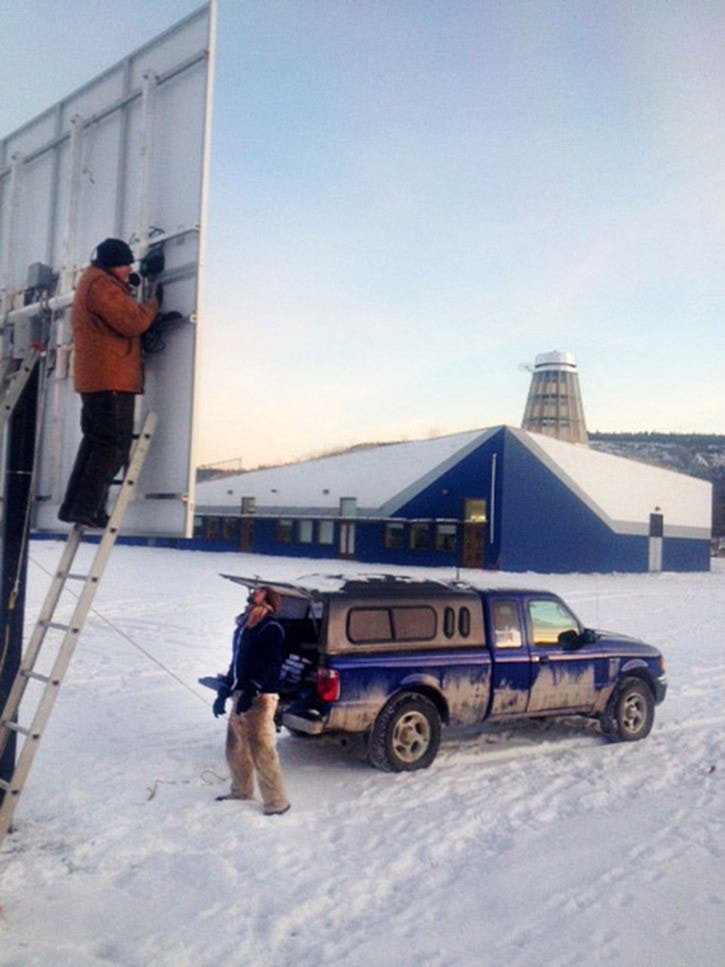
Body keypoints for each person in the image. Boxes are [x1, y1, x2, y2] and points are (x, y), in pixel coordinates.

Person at [58, 237, 159, 528]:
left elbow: (120, 313)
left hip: (97, 378)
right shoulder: (102, 285)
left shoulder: (95, 281)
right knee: (113, 445)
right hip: (110, 377)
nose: (128, 269)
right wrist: (153, 304)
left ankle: (74, 507)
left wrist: (132, 284)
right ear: (111, 264)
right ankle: (87, 508)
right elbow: (132, 322)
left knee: (95, 443)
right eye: (124, 265)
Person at [213, 586, 291, 815]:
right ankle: (241, 791)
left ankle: (277, 803)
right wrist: (225, 689)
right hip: (242, 693)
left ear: (267, 600)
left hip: (261, 697)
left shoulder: (270, 627)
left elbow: (272, 664)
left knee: (262, 750)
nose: (252, 593)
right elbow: (236, 660)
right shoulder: (245, 626)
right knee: (235, 746)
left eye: (257, 591)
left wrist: (253, 688)